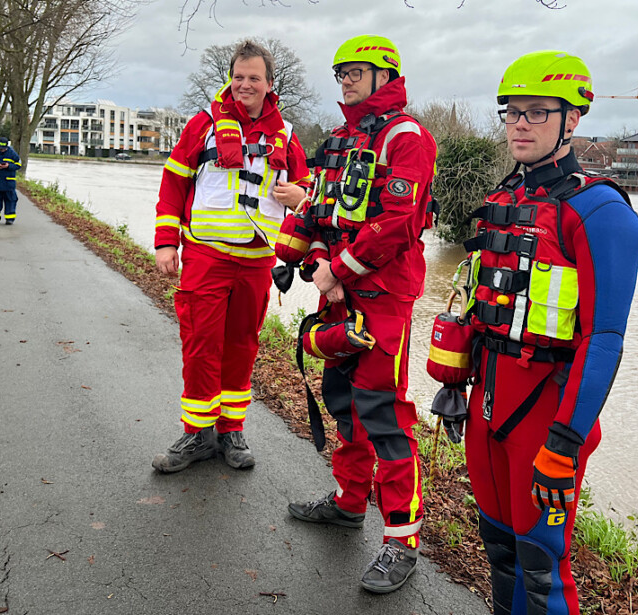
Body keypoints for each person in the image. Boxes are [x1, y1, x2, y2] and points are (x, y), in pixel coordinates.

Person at [457, 50, 638, 614]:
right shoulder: (508, 197)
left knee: (542, 564)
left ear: (573, 120)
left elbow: (605, 338)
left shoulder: (599, 211)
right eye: (512, 112)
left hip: (546, 418)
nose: (520, 123)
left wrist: (565, 441)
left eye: (537, 112)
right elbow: (478, 302)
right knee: (498, 547)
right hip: (485, 406)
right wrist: (454, 379)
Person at [283, 35, 437, 594]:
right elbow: (319, 210)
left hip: (383, 299)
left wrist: (339, 270)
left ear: (384, 75)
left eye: (356, 71)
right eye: (340, 72)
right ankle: (349, 502)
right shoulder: (340, 138)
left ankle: (401, 542)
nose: (345, 79)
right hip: (339, 294)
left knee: (384, 414)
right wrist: (305, 260)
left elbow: (398, 222)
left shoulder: (409, 137)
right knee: (344, 401)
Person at [151, 40, 311, 473]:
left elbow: (311, 194)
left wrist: (301, 195)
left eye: (253, 78)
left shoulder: (288, 136)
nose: (244, 85)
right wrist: (167, 241)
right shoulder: (202, 125)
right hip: (206, 256)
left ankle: (231, 432)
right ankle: (197, 435)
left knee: (242, 345)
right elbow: (173, 182)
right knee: (201, 345)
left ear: (269, 84)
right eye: (238, 77)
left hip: (258, 260)